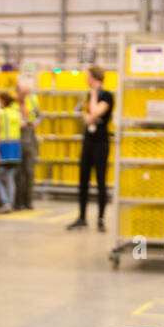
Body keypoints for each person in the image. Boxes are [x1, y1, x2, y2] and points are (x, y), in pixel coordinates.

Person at [67, 64, 114, 231]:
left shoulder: (107, 96)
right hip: (88, 141)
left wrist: (94, 94)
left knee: (101, 181)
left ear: (95, 78)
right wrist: (90, 114)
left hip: (101, 143)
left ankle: (100, 219)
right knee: (83, 180)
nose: (86, 79)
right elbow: (87, 116)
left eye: (88, 76)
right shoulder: (89, 95)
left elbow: (95, 113)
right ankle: (82, 217)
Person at [14, 76, 41, 210]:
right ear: (18, 92)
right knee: (18, 174)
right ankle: (18, 202)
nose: (25, 95)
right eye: (23, 93)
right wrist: (18, 124)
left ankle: (28, 201)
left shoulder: (32, 100)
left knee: (30, 172)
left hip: (30, 140)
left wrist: (36, 122)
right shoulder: (12, 103)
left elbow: (39, 116)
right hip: (16, 141)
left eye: (27, 92)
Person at [0, 90, 22, 212]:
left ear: (3, 101)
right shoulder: (16, 112)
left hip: (3, 147)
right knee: (10, 177)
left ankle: (5, 202)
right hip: (15, 148)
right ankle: (10, 202)